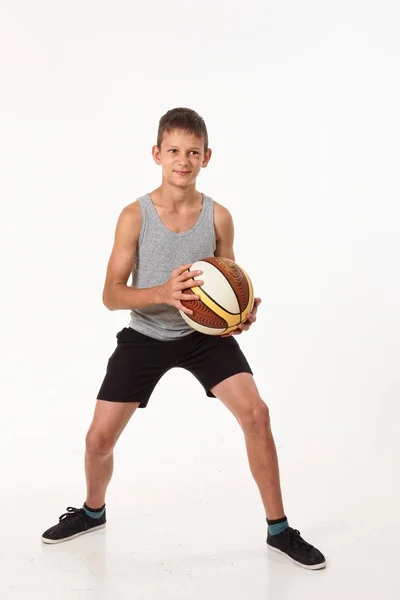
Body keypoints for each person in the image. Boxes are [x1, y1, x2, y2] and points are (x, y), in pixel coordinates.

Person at [41, 107, 326, 570]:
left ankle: (279, 529)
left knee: (257, 414)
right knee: (98, 440)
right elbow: (111, 295)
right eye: (173, 151)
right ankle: (93, 511)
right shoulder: (134, 216)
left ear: (207, 157)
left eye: (193, 152)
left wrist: (239, 313)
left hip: (203, 338)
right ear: (157, 154)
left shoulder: (220, 216)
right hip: (145, 334)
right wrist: (163, 293)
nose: (183, 160)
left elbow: (230, 278)